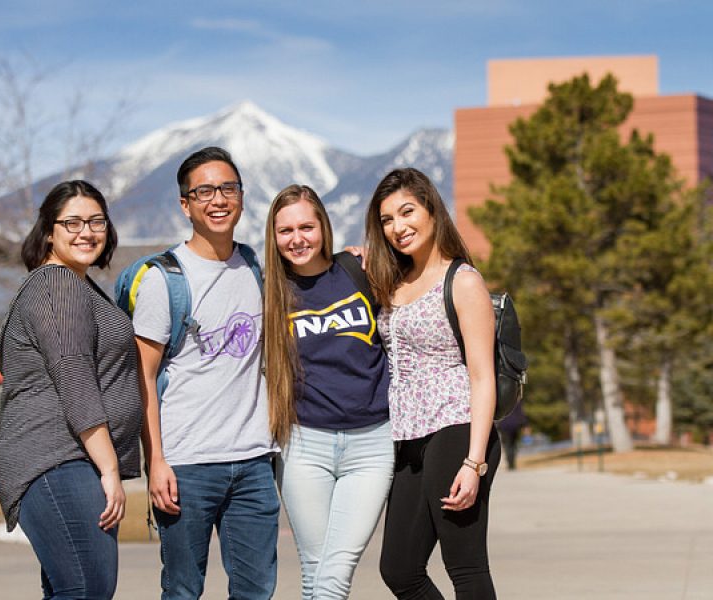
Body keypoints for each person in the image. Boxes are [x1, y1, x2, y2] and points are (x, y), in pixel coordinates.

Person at [133, 146, 279, 600]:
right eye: (205, 191)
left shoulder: (257, 266)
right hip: (187, 465)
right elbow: (142, 380)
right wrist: (155, 461)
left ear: (241, 196)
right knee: (182, 591)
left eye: (228, 188)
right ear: (186, 204)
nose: (218, 200)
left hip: (255, 462)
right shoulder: (165, 279)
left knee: (256, 592)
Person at [0, 180, 142, 599]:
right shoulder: (57, 284)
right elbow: (75, 379)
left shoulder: (76, 285)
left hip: (70, 457)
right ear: (48, 232)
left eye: (96, 221)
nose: (86, 232)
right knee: (87, 587)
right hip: (55, 458)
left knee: (70, 588)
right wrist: (110, 470)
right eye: (72, 222)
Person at [365, 168, 502, 599]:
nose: (398, 227)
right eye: (387, 220)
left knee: (465, 566)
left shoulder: (463, 281)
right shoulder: (393, 281)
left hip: (455, 431)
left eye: (407, 212)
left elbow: (482, 377)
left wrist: (474, 462)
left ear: (431, 210)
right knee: (400, 569)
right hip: (408, 438)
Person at [264, 184, 394, 599]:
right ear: (273, 236)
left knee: (335, 570)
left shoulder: (360, 272)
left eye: (306, 226)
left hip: (372, 444)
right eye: (285, 231)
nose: (297, 238)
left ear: (324, 226)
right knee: (316, 569)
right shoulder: (270, 290)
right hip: (304, 443)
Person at [497, 401, 526, 470]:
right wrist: (524, 424)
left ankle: (510, 463)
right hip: (514, 425)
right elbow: (521, 413)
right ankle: (512, 463)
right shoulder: (516, 401)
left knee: (507, 445)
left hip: (504, 425)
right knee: (513, 445)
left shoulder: (501, 401)